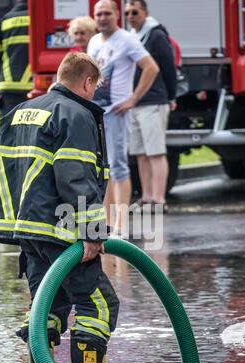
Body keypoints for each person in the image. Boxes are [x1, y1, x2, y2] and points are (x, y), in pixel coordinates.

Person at [0, 52, 119, 363]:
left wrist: (19, 227)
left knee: (49, 305)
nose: (94, 94)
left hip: (27, 232)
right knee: (98, 306)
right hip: (60, 231)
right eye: (95, 87)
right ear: (87, 82)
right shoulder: (77, 114)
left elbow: (4, 174)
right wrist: (91, 232)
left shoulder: (16, 113)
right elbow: (76, 175)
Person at [87, 0, 159, 237]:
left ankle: (121, 225)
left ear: (116, 15)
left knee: (118, 167)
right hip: (95, 113)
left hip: (116, 113)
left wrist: (132, 99)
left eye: (107, 13)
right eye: (99, 14)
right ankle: (106, 223)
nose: (103, 18)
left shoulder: (127, 40)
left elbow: (151, 68)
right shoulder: (94, 41)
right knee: (101, 169)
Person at [125, 0, 177, 214]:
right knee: (141, 153)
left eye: (135, 12)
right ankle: (146, 198)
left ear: (145, 13)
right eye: (127, 12)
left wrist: (171, 96)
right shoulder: (132, 36)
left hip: (154, 101)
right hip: (135, 103)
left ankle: (159, 199)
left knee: (155, 152)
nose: (130, 16)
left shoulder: (156, 36)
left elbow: (168, 68)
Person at [0, 0, 33, 120]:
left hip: (10, 87)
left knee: (9, 132)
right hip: (37, 85)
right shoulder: (42, 18)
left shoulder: (6, 20)